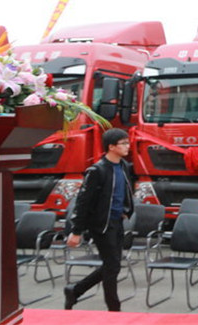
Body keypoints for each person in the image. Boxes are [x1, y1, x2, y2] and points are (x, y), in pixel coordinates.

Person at [64, 128, 134, 311]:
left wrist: (126, 210)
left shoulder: (124, 166)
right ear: (111, 147)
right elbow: (83, 202)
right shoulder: (97, 170)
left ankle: (75, 290)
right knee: (112, 266)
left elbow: (125, 191)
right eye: (123, 143)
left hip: (117, 221)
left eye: (128, 142)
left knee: (112, 266)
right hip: (101, 224)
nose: (128, 146)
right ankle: (114, 308)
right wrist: (76, 231)